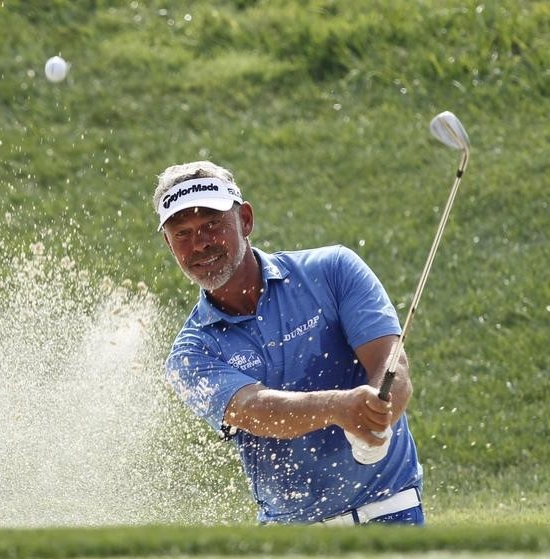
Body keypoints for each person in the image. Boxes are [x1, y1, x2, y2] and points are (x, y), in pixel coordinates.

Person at [155, 160, 423, 525]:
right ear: (170, 246)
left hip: (391, 512)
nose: (199, 244)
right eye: (182, 233)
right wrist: (340, 407)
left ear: (245, 220)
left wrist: (377, 415)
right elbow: (252, 410)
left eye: (212, 225)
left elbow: (392, 365)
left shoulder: (333, 270)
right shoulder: (191, 354)